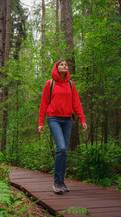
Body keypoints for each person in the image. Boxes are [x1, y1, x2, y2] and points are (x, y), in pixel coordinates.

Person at [38, 60, 87, 194]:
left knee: (64, 152)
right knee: (61, 147)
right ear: (56, 68)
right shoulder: (50, 84)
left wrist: (82, 119)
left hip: (67, 120)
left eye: (66, 65)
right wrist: (40, 122)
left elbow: (76, 103)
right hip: (53, 119)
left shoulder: (71, 85)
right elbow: (43, 103)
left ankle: (61, 181)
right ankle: (56, 182)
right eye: (61, 64)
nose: (64, 66)